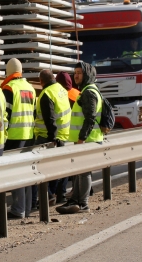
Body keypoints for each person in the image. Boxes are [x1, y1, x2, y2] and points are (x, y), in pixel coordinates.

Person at [57, 62, 104, 215]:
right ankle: (75, 200)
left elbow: (90, 118)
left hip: (87, 140)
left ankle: (82, 203)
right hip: (85, 139)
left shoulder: (89, 92)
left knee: (83, 172)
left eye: (79, 73)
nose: (76, 75)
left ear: (87, 75)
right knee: (79, 171)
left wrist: (81, 139)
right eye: (75, 72)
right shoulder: (86, 90)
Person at [2, 58, 36, 219]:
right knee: (27, 173)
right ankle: (27, 208)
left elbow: (5, 115)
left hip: (14, 137)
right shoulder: (30, 88)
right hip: (29, 135)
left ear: (8, 72)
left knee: (16, 174)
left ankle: (18, 209)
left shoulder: (9, 88)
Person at [33, 70, 71, 204]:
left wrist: (52, 138)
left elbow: (50, 119)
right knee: (57, 168)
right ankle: (54, 194)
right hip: (64, 134)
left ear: (41, 81)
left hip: (48, 137)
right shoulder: (61, 89)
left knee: (39, 169)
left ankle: (48, 195)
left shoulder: (46, 94)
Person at [53, 71, 79, 201]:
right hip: (76, 134)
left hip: (64, 134)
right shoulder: (77, 93)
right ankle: (67, 193)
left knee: (61, 168)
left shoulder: (61, 94)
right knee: (72, 166)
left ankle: (58, 194)